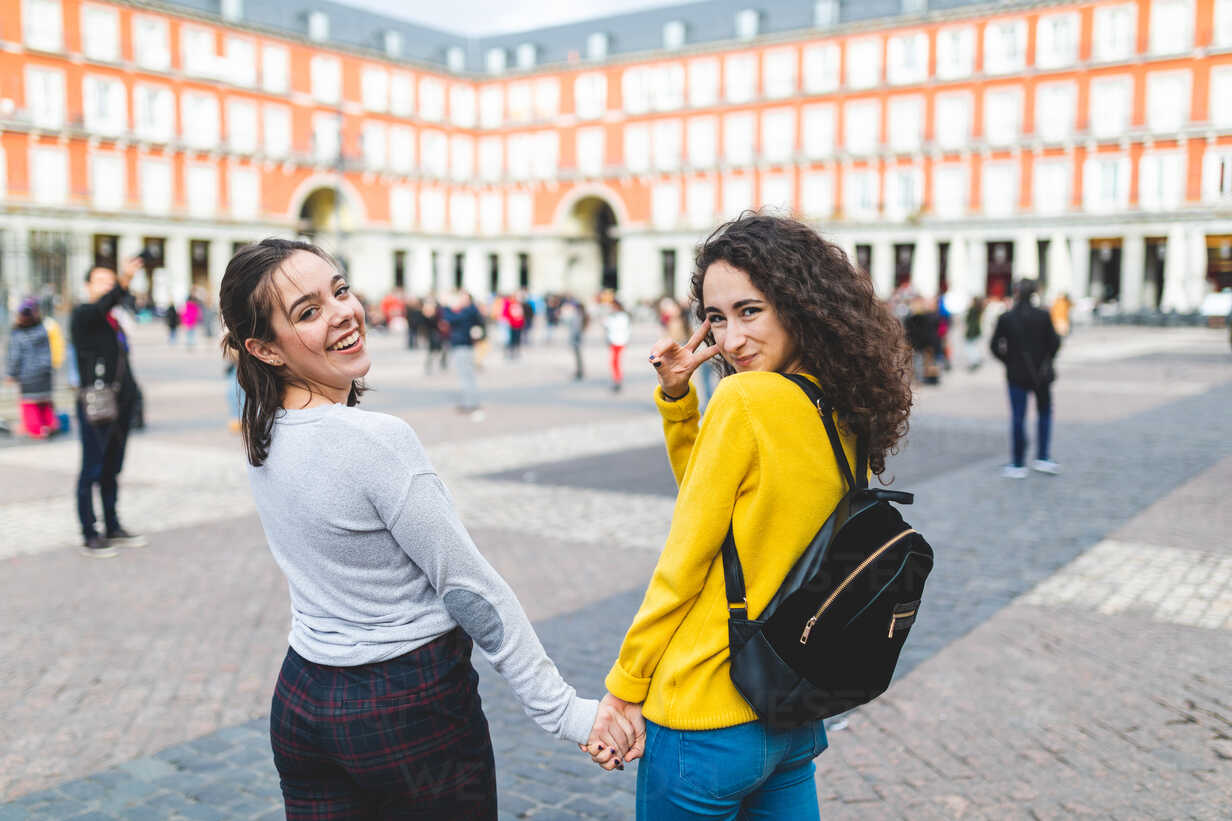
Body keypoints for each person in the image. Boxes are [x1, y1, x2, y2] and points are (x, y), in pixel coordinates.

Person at [217, 239, 640, 818]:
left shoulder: (261, 432)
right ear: (263, 348)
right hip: (406, 707)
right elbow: (469, 589)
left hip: (302, 699)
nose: (342, 311)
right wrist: (565, 711)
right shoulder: (375, 441)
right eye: (308, 311)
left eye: (340, 290)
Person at [590, 214, 913, 818]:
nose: (731, 340)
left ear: (798, 307)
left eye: (749, 311)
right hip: (790, 709)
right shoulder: (837, 405)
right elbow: (726, 509)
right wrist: (680, 402)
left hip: (707, 715)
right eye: (715, 318)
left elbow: (687, 558)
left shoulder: (742, 400)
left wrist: (625, 686)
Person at [71, 260, 148, 557]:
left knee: (112, 468)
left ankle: (112, 526)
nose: (107, 286)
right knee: (91, 468)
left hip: (122, 401)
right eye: (101, 281)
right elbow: (103, 304)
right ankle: (90, 533)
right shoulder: (84, 314)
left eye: (110, 280)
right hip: (96, 403)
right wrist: (125, 278)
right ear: (88, 285)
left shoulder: (115, 319)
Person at [991, 279, 1062, 479]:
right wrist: (1045, 359)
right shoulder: (1043, 315)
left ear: (1016, 293)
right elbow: (1055, 344)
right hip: (1041, 374)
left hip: (1016, 374)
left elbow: (995, 346)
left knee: (1018, 417)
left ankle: (1018, 462)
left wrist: (1008, 361)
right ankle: (1042, 456)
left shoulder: (1006, 317)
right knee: (1045, 414)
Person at [6, 298, 57, 438]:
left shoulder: (18, 334)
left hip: (28, 374)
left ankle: (36, 429)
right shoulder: (42, 330)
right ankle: (50, 425)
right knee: (44, 401)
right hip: (45, 372)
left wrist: (11, 373)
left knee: (29, 404)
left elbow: (15, 356)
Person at [442, 290, 484, 416]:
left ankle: (470, 403)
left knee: (466, 376)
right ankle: (470, 402)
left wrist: (446, 307)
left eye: (462, 297)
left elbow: (451, 319)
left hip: (463, 346)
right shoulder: (471, 310)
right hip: (465, 345)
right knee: (467, 376)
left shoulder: (469, 311)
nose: (459, 300)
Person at [603, 299, 631, 392]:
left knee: (615, 362)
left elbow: (624, 329)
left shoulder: (621, 316)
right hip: (613, 340)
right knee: (614, 362)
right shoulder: (613, 316)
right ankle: (617, 379)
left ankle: (617, 379)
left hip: (619, 341)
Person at [964, 296, 985, 371]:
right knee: (974, 346)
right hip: (976, 330)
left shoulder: (972, 309)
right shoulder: (979, 309)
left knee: (970, 346)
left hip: (972, 331)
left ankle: (974, 360)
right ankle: (976, 359)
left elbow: (967, 319)